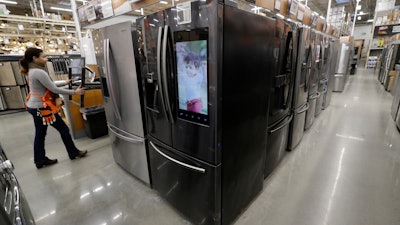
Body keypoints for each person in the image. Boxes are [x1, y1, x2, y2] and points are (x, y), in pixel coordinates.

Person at [20, 47, 87, 169]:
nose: (46, 59)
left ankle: (40, 160)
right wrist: (75, 92)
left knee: (40, 133)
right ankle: (73, 153)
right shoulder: (39, 72)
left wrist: (65, 82)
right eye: (43, 57)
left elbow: (48, 83)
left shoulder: (30, 71)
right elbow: (53, 89)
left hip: (34, 106)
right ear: (35, 58)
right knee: (63, 129)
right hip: (43, 108)